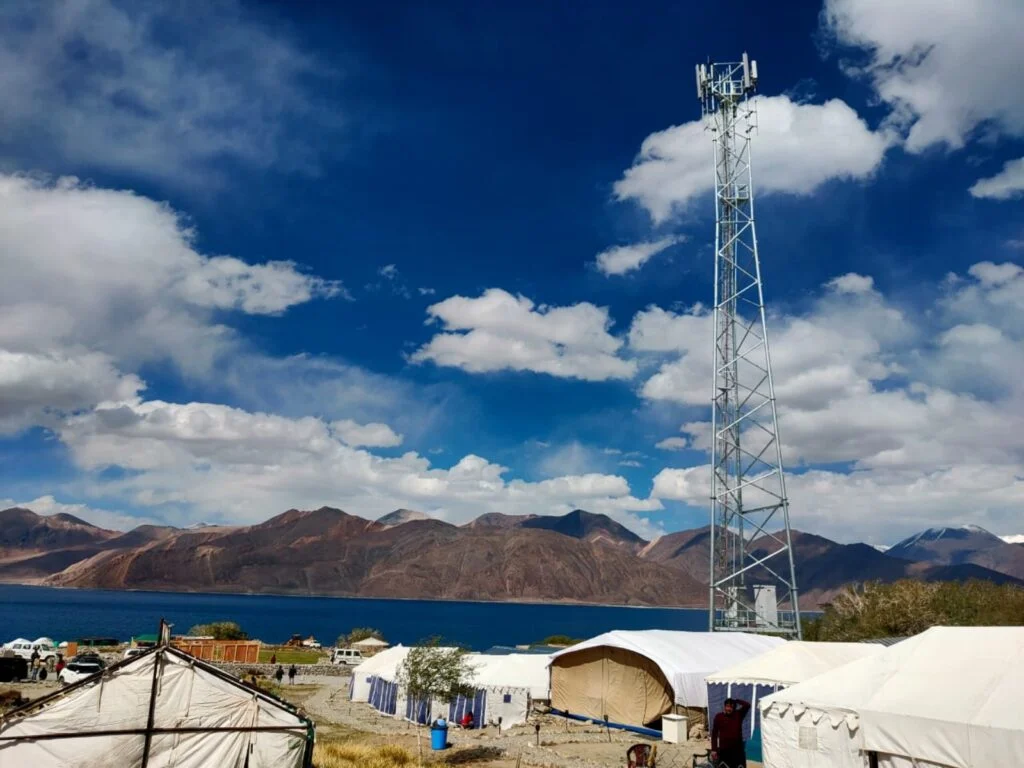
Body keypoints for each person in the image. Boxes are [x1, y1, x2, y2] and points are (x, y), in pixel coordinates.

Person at [711, 697, 751, 768]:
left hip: (737, 750)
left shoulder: (738, 715)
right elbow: (714, 734)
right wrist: (714, 749)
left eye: (731, 707)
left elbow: (747, 705)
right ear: (724, 706)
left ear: (734, 707)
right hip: (724, 750)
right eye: (727, 706)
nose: (729, 709)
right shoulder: (719, 717)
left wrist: (736, 700)